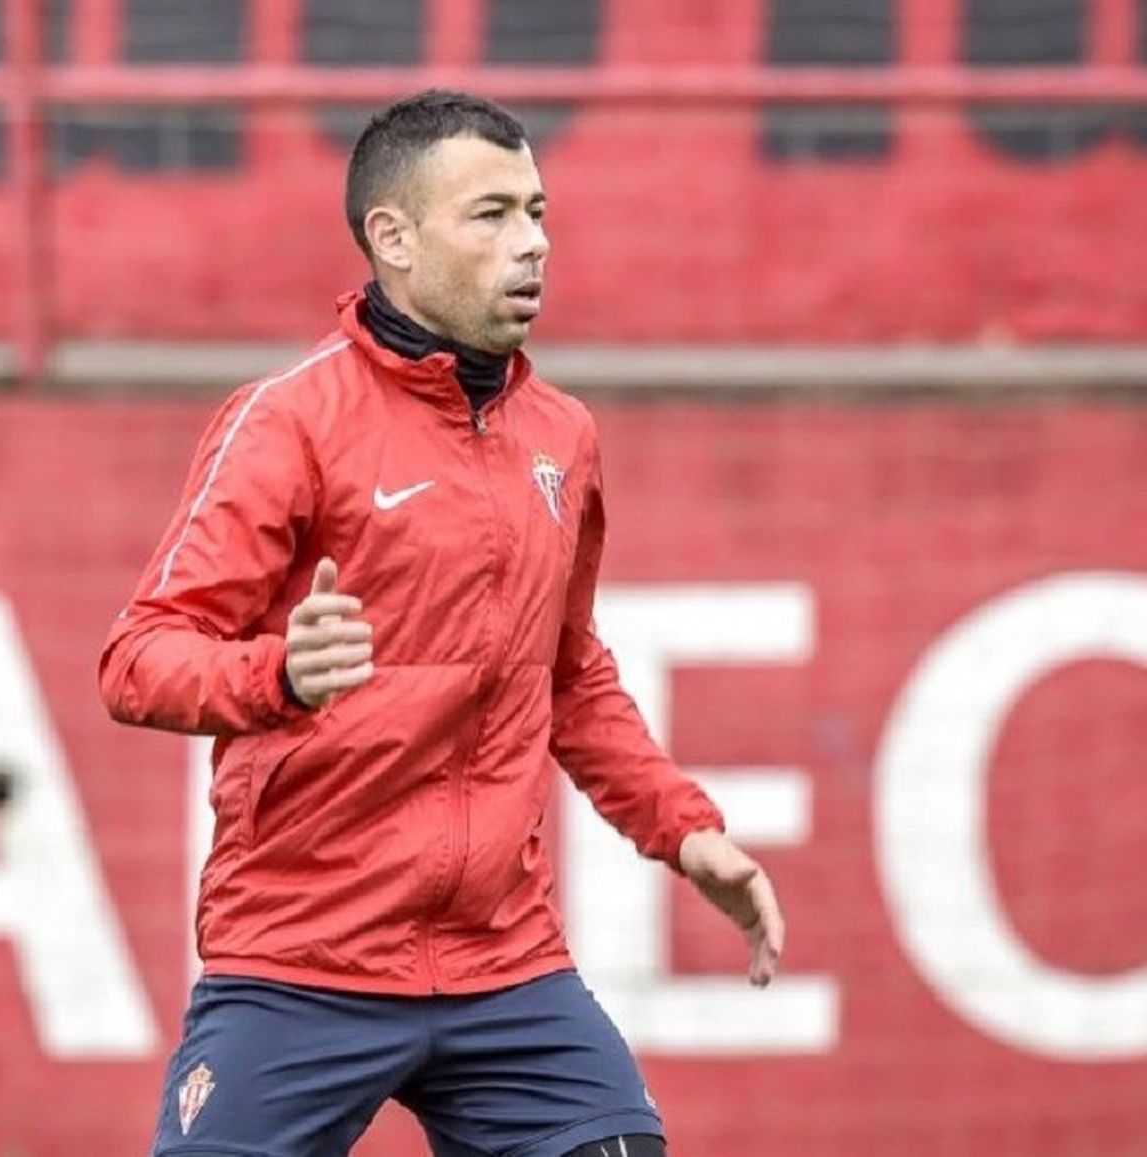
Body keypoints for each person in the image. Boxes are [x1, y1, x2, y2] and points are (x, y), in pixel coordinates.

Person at [99, 89, 785, 1157]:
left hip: (500, 965)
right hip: (299, 959)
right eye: (493, 214)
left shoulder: (563, 434)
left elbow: (568, 673)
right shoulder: (285, 420)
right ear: (393, 239)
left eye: (539, 212)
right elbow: (137, 658)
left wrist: (682, 828)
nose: (534, 244)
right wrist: (279, 673)